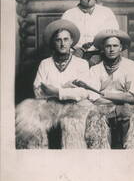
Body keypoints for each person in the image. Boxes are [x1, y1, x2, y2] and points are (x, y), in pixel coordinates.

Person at [16, 19, 101, 149]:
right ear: (53, 43)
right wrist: (66, 87)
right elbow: (38, 90)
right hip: (50, 106)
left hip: (75, 106)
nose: (62, 43)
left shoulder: (81, 64)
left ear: (72, 41)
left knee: (74, 127)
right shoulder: (45, 63)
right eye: (58, 40)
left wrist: (56, 91)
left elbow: (83, 92)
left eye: (66, 39)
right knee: (29, 121)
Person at [84, 29, 134, 150]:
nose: (111, 49)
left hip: (124, 106)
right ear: (103, 48)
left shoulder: (130, 65)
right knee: (95, 120)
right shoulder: (95, 69)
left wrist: (106, 94)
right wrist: (120, 97)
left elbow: (132, 95)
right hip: (102, 107)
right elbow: (93, 96)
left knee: (128, 116)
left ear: (121, 48)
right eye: (108, 46)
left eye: (115, 46)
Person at [62, 0, 119, 64]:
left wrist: (101, 55)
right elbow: (62, 38)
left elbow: (114, 37)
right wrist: (72, 53)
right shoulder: (68, 14)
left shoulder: (107, 13)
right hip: (75, 55)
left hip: (101, 56)